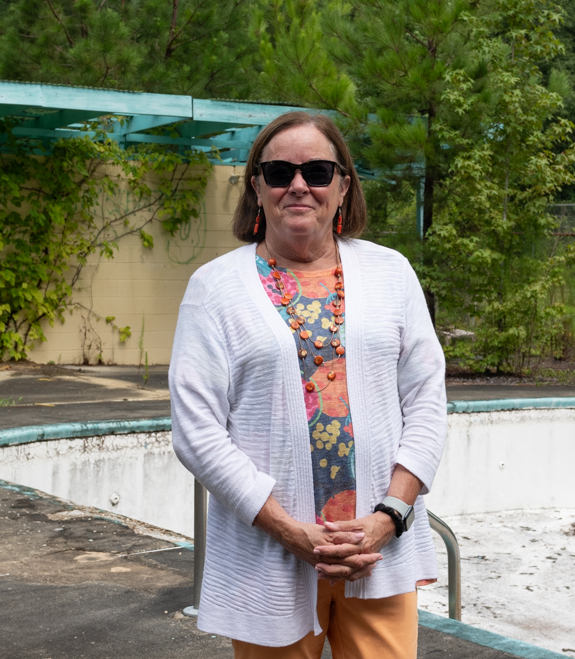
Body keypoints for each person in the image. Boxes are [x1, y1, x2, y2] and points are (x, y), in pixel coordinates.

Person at [169, 111, 448, 658]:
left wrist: (391, 516)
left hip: (378, 551)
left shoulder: (392, 274)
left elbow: (427, 402)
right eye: (278, 172)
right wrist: (289, 531)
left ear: (343, 186)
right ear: (256, 186)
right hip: (268, 554)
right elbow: (196, 429)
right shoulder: (214, 289)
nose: (299, 185)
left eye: (318, 171)